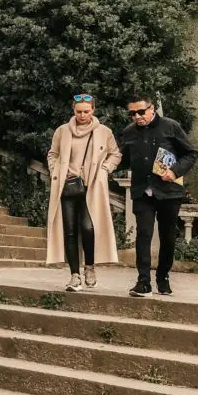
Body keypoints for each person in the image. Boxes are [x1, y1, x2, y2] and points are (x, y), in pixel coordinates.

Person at [118, 95, 198, 297]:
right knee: (143, 234)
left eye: (141, 112)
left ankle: (163, 277)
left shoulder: (171, 127)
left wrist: (175, 171)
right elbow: (123, 160)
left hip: (168, 191)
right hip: (142, 191)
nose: (137, 116)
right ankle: (143, 282)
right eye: (132, 113)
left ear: (151, 109)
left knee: (167, 236)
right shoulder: (129, 133)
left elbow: (191, 153)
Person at [46, 94, 122, 292]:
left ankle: (90, 267)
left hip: (92, 187)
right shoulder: (62, 131)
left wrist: (105, 169)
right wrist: (55, 170)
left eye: (86, 111)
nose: (82, 115)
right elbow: (52, 154)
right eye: (78, 111)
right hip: (67, 185)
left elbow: (116, 154)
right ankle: (74, 275)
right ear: (73, 111)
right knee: (69, 231)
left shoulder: (104, 131)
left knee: (89, 228)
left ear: (93, 111)